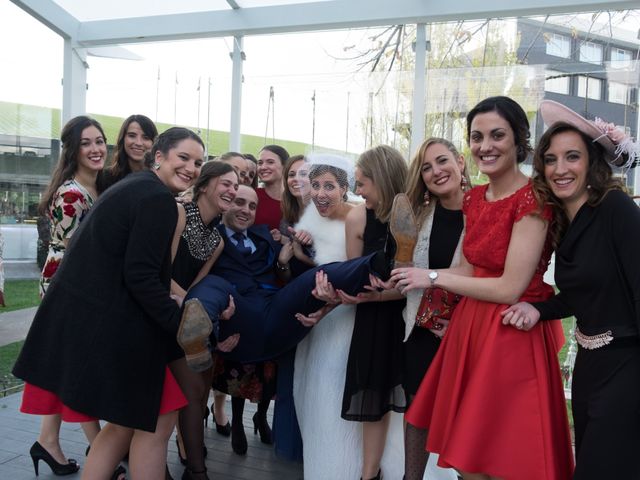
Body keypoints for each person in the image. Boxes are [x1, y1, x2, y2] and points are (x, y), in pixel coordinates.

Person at [389, 96, 574, 480]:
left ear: (519, 140)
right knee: (468, 456)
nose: (484, 146)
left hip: (510, 331)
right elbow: (469, 268)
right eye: (476, 137)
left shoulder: (534, 198)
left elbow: (510, 287)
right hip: (470, 328)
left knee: (504, 453)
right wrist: (420, 274)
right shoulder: (475, 197)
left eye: (496, 135)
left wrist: (433, 278)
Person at [13, 127, 205, 479]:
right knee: (152, 421)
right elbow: (141, 277)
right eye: (184, 158)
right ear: (159, 156)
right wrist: (182, 329)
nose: (192, 167)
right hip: (114, 329)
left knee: (131, 424)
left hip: (102, 324)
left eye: (198, 162)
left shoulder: (136, 188)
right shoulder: (157, 199)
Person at [501, 100, 640, 480]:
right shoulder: (562, 219)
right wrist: (538, 310)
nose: (560, 169)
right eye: (551, 159)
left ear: (591, 163)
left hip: (629, 365)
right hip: (589, 366)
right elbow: (581, 295)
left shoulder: (615, 207)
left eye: (572, 157)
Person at [26, 115, 107, 477]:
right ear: (73, 150)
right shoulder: (72, 193)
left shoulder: (97, 186)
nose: (96, 149)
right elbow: (82, 251)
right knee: (77, 367)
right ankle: (102, 446)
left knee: (62, 365)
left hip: (79, 284)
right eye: (87, 143)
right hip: (68, 286)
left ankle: (48, 440)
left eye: (100, 141)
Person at [338, 145, 408, 480]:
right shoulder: (358, 216)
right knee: (373, 396)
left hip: (414, 318)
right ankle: (370, 474)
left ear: (382, 180)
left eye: (363, 183)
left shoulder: (418, 213)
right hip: (374, 319)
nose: (358, 190)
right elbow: (355, 277)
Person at [400, 138, 468, 480]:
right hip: (421, 329)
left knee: (466, 415)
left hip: (468, 331)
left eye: (442, 161)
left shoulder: (484, 209)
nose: (436, 171)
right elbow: (401, 268)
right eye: (426, 167)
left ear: (460, 161)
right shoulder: (418, 215)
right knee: (417, 411)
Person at [169, 160, 240, 480]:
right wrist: (186, 301)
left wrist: (214, 311)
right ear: (205, 184)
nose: (232, 190)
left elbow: (198, 283)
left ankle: (195, 470)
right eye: (226, 183)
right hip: (156, 309)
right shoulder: (178, 212)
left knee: (196, 392)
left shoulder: (218, 240)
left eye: (235, 186)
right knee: (165, 400)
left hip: (185, 316)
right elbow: (157, 269)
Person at [209, 185, 279, 456]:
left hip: (266, 310)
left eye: (252, 206)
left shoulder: (263, 237)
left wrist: (283, 258)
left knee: (269, 369)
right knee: (239, 371)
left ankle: (261, 416)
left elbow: (278, 269)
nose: (246, 210)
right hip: (235, 318)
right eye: (239, 202)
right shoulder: (212, 238)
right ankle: (237, 421)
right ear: (227, 202)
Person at [101, 114, 158, 190]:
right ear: (123, 139)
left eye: (146, 137)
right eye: (132, 136)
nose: (138, 143)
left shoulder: (161, 179)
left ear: (154, 143)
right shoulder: (106, 178)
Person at [255, 144, 289, 231]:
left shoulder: (295, 200)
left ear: (285, 167)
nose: (263, 167)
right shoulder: (252, 196)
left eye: (270, 162)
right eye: (260, 163)